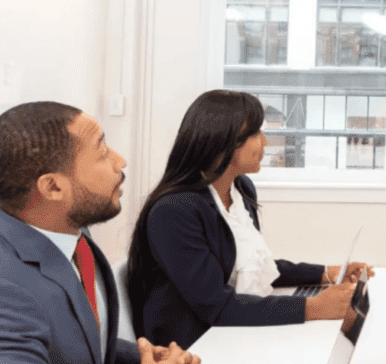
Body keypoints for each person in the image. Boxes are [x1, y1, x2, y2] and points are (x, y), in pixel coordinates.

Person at [127, 90, 373, 350]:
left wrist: (324, 273)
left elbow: (252, 268)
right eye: (256, 133)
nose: (265, 142)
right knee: (337, 323)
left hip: (230, 328)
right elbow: (215, 305)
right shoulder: (174, 212)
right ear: (224, 143)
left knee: (347, 314)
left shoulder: (240, 189)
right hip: (195, 346)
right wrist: (311, 307)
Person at [0, 101, 201, 364]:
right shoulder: (6, 288)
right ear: (53, 187)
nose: (120, 162)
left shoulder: (71, 232)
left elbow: (68, 347)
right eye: (103, 152)